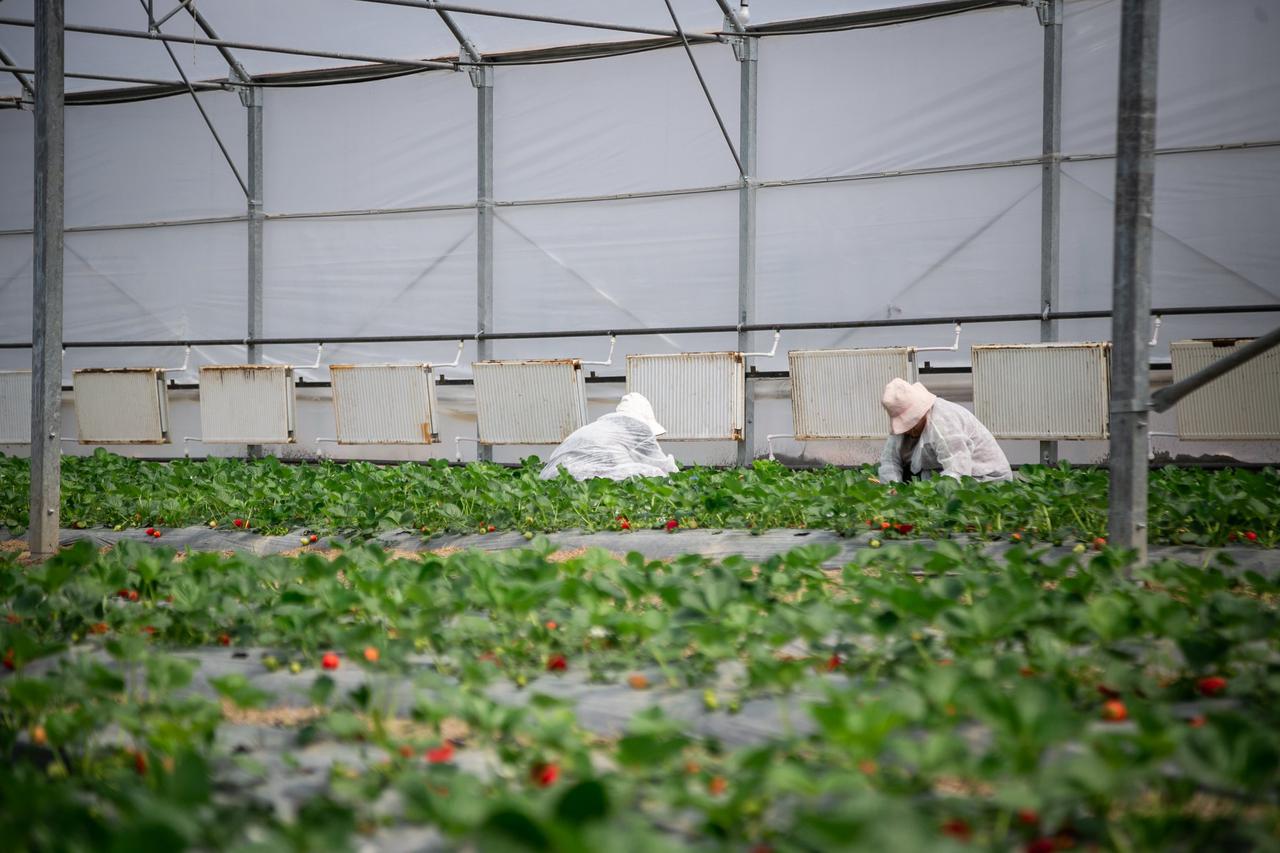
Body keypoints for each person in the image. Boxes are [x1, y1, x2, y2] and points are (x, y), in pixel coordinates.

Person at [877, 378, 1011, 484]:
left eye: (910, 423)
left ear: (921, 412)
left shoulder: (943, 422)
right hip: (943, 477)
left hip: (986, 480)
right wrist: (891, 488)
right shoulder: (905, 431)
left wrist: (932, 497)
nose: (908, 431)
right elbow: (890, 460)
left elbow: (958, 470)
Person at [539, 392, 678, 481]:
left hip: (551, 476)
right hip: (583, 476)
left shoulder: (598, 427)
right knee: (653, 474)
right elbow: (659, 464)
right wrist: (679, 479)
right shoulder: (638, 427)